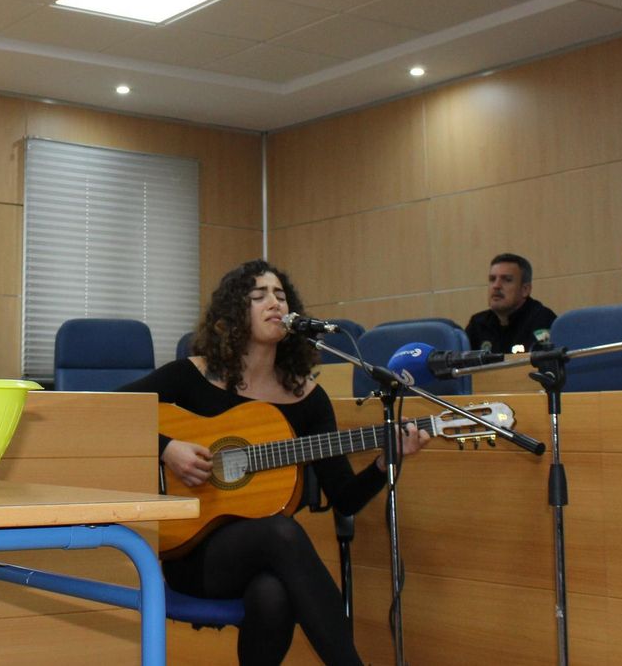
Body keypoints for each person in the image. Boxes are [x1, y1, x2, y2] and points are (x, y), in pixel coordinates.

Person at [119, 260, 429, 665]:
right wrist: (166, 447)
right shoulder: (191, 376)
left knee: (274, 595)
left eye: (281, 295)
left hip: (269, 559)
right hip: (192, 552)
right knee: (280, 534)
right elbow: (110, 411)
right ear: (233, 313)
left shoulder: (308, 399)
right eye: (259, 295)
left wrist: (383, 463)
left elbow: (345, 499)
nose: (274, 302)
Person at [464, 253, 557, 353]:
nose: (496, 286)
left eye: (507, 280)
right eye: (492, 279)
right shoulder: (478, 324)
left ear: (525, 289)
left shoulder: (542, 320)